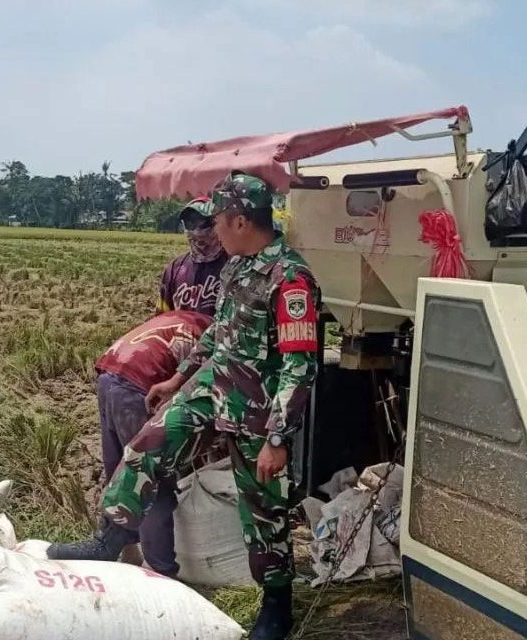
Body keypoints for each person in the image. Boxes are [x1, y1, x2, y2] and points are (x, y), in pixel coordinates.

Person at [49, 172, 320, 640]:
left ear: (239, 220)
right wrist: (178, 378)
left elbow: (301, 368)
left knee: (263, 510)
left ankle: (277, 602)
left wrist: (277, 438)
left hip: (258, 409)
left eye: (216, 221)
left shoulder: (290, 280)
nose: (211, 231)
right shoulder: (236, 267)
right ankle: (109, 539)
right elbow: (219, 332)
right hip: (210, 388)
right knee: (145, 447)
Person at [93, 309, 215, 577]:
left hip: (109, 371)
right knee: (149, 477)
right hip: (139, 383)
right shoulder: (212, 336)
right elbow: (195, 398)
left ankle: (125, 551)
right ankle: (162, 572)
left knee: (119, 468)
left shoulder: (180, 318)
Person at [157, 197, 228, 316]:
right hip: (181, 333)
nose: (197, 231)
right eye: (191, 224)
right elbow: (162, 316)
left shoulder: (233, 265)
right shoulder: (175, 269)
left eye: (204, 223)